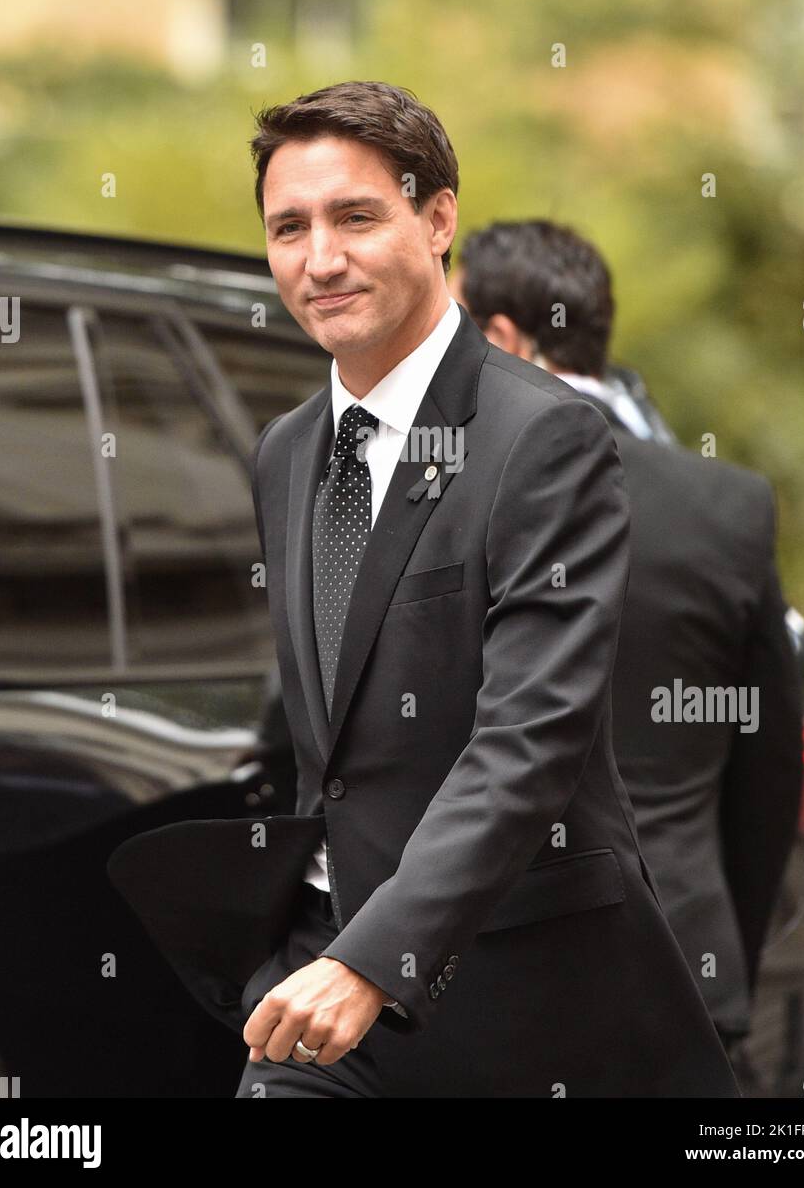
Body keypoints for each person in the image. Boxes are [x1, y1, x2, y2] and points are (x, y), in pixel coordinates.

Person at [210, 81, 743, 1099]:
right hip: (326, 982)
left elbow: (529, 737)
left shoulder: (541, 438)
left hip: (522, 988)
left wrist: (378, 957)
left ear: (438, 215)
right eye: (289, 227)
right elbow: (319, 734)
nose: (319, 258)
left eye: (355, 216)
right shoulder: (283, 454)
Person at [456, 219, 804, 1053]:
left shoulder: (455, 487)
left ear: (503, 337)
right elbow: (768, 771)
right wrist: (725, 963)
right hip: (684, 971)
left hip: (496, 981)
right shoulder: (730, 505)